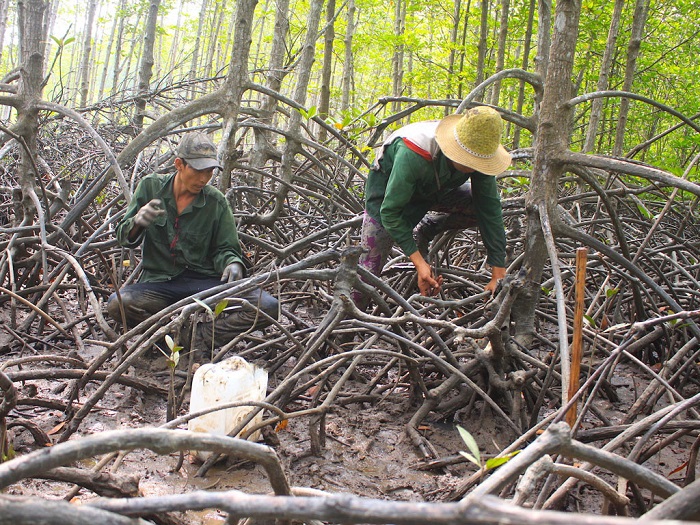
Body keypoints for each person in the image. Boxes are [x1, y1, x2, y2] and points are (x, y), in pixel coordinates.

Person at [107, 132, 278, 347]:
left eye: (209, 171)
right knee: (118, 304)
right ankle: (167, 337)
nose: (203, 179)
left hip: (205, 283)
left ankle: (197, 338)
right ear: (179, 164)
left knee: (268, 307)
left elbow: (226, 248)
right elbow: (124, 238)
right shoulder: (150, 187)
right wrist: (137, 222)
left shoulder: (216, 202)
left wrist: (233, 263)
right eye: (198, 171)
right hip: (160, 284)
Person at [354, 106, 511, 308]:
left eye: (479, 163)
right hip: (388, 197)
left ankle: (428, 227)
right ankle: (347, 324)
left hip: (435, 190)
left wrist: (498, 268)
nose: (474, 167)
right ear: (454, 148)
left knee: (477, 207)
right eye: (469, 161)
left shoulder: (481, 155)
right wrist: (420, 263)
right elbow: (390, 213)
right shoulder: (413, 153)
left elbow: (489, 209)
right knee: (368, 273)